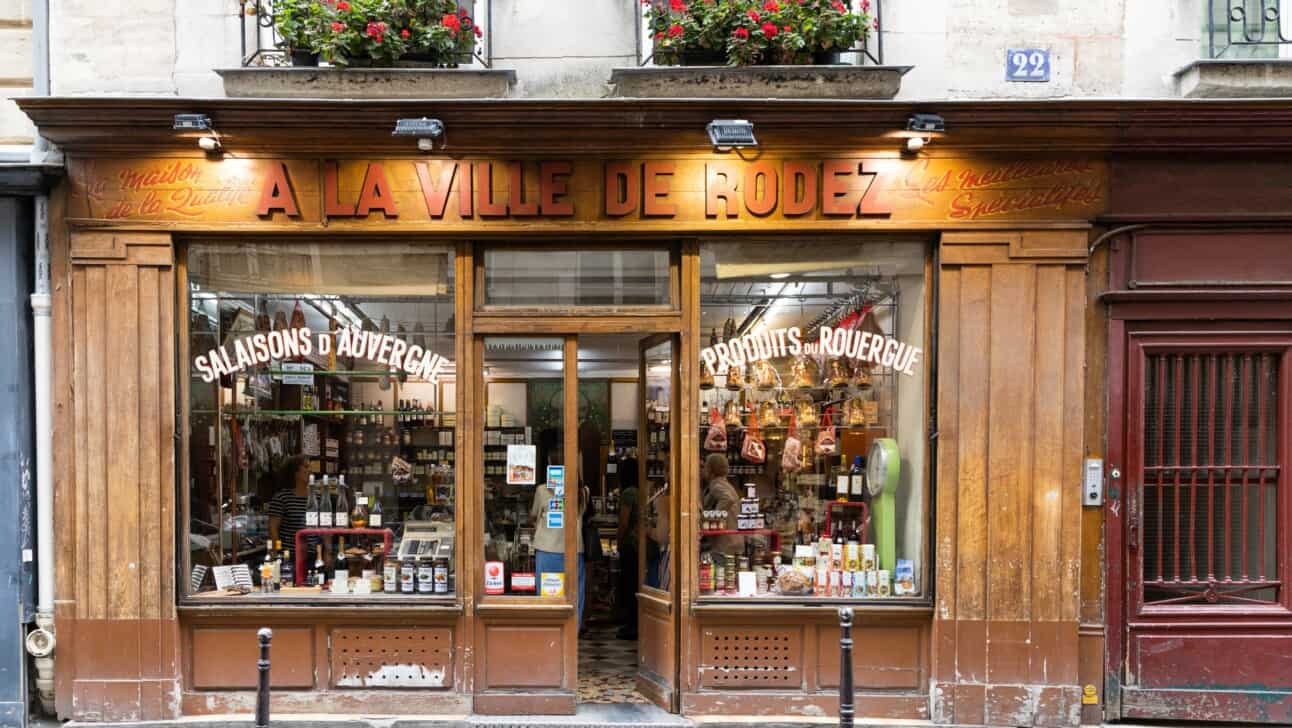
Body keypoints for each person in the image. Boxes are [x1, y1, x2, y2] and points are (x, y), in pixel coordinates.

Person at [531, 452, 590, 631]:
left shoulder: (542, 491)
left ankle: (549, 630)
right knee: (574, 594)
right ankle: (573, 632)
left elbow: (534, 515)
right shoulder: (583, 492)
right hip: (574, 550)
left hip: (548, 549)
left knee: (548, 594)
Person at [701, 453, 743, 557]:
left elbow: (728, 499)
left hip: (725, 543)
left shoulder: (716, 484)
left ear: (711, 469)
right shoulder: (726, 484)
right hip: (734, 540)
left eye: (705, 466)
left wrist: (714, 517)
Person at [267, 454, 310, 554]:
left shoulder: (317, 498)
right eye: (306, 467)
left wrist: (327, 552)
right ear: (295, 472)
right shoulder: (282, 498)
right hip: (290, 556)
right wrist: (275, 554)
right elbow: (273, 530)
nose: (310, 470)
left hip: (314, 554)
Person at [616, 475, 640, 640]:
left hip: (630, 545)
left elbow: (624, 521)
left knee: (629, 584)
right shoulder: (642, 490)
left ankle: (631, 625)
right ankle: (636, 623)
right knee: (636, 583)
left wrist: (619, 541)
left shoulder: (628, 493)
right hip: (640, 545)